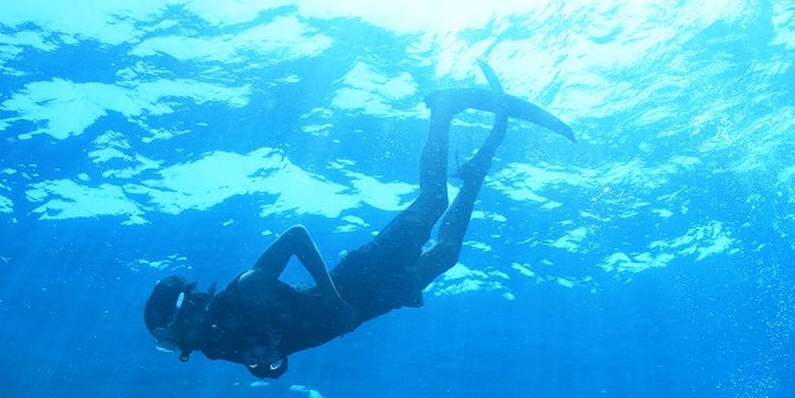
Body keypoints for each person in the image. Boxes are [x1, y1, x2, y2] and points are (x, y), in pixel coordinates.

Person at [143, 68, 577, 378]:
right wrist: (268, 366)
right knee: (446, 254)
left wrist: (331, 299)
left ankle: (442, 109)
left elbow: (295, 237)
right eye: (167, 346)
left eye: (169, 336)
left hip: (360, 278)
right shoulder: (216, 347)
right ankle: (475, 177)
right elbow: (279, 343)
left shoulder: (246, 290)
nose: (175, 347)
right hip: (368, 307)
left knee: (431, 202)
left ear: (185, 314)